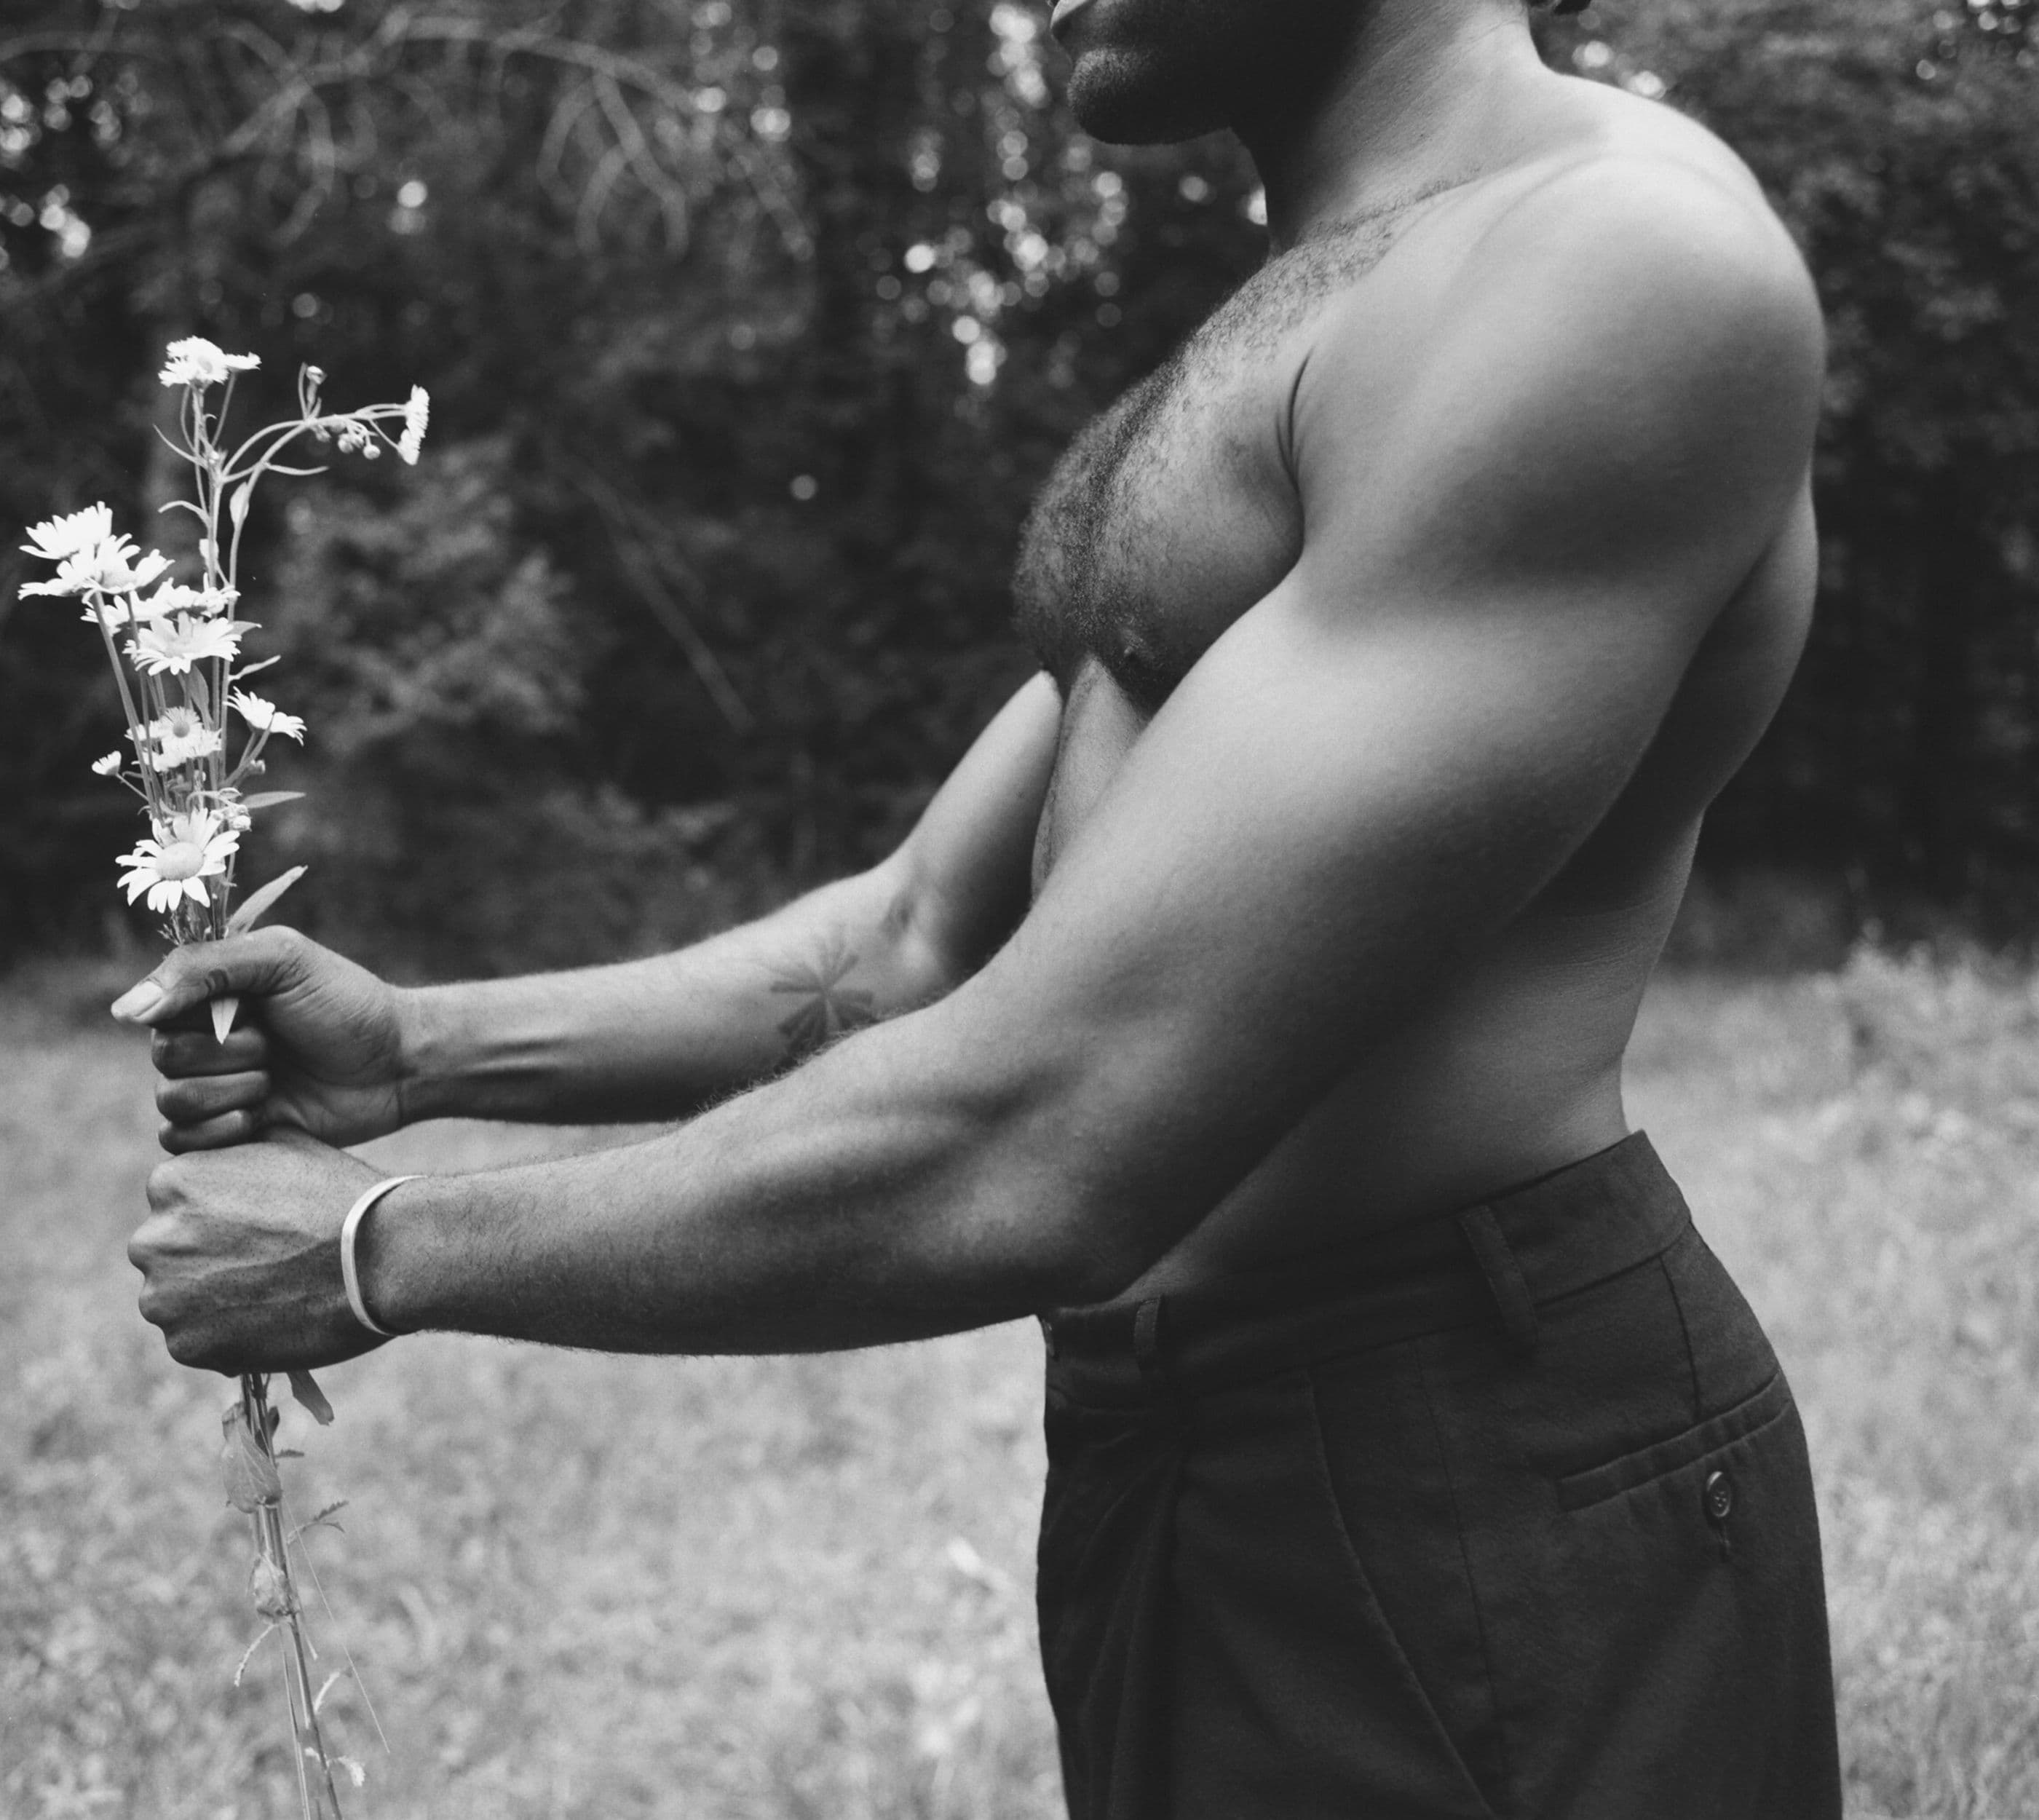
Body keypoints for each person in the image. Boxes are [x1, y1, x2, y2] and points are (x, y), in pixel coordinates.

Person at [121, 0, 1842, 1810]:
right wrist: (414, 1050)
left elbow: (1056, 1126)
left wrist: (371, 1247)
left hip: (1475, 1458)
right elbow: (907, 943)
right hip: (1183, 1450)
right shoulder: (1306, 317)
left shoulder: (1605, 269)